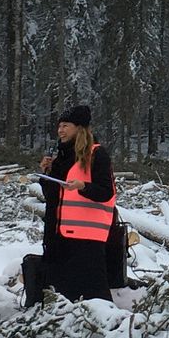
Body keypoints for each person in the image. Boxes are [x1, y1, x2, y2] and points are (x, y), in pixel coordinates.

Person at [39, 105, 116, 302]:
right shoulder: (61, 158)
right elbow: (53, 197)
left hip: (87, 240)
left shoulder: (97, 155)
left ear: (79, 128)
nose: (60, 130)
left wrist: (83, 186)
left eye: (65, 125)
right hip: (58, 237)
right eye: (59, 126)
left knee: (94, 294)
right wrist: (47, 174)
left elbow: (106, 192)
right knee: (63, 294)